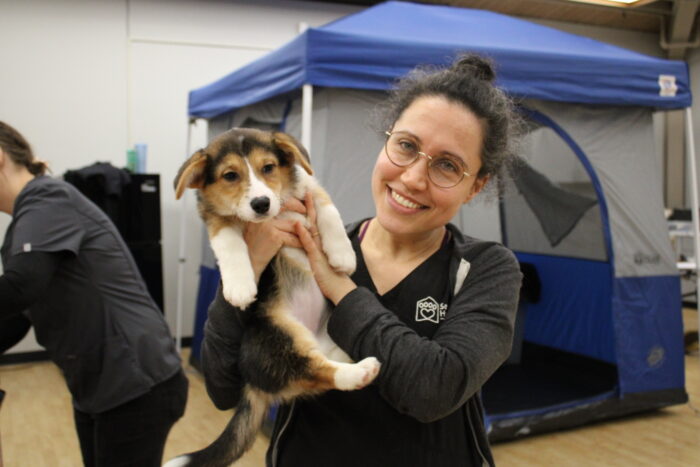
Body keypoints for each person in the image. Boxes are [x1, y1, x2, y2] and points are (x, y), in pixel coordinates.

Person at [201, 54, 523, 467]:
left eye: (448, 165)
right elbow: (224, 387)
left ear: (476, 186)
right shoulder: (305, 247)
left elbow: (432, 391)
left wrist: (339, 288)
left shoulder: (485, 268)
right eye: (406, 145)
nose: (412, 178)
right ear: (386, 141)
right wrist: (251, 266)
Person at [0, 121, 188, 467]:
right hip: (98, 385)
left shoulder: (47, 198)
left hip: (137, 382)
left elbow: (20, 287)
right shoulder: (22, 227)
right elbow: (16, 315)